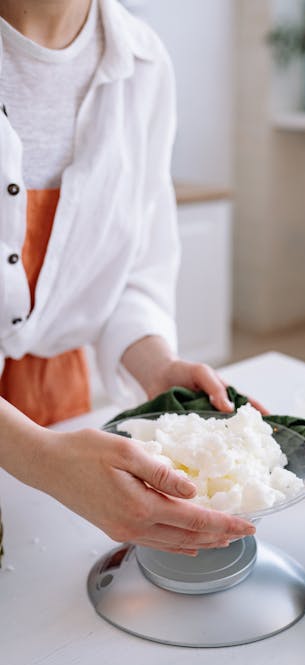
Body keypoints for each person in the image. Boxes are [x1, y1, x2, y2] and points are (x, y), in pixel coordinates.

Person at [0, 0, 256, 556]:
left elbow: (132, 270)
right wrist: (39, 456)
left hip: (56, 398)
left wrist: (156, 365)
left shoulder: (144, 61)